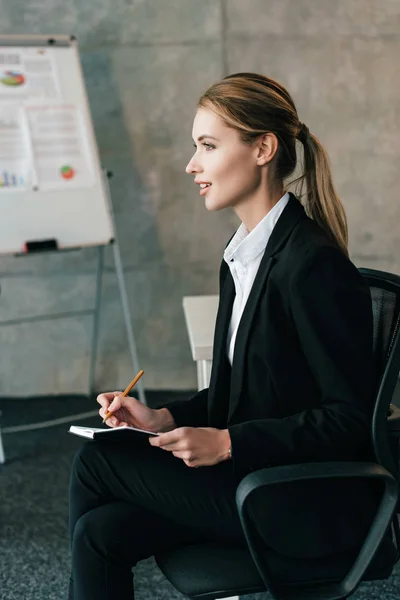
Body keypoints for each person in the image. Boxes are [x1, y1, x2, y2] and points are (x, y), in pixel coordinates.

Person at [68, 73, 380, 600]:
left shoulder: (313, 265)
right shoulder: (244, 256)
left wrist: (229, 441)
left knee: (98, 460)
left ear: (263, 148)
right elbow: (244, 394)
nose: (193, 164)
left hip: (295, 500)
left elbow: (351, 418)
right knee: (99, 535)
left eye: (208, 146)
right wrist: (162, 418)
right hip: (253, 480)